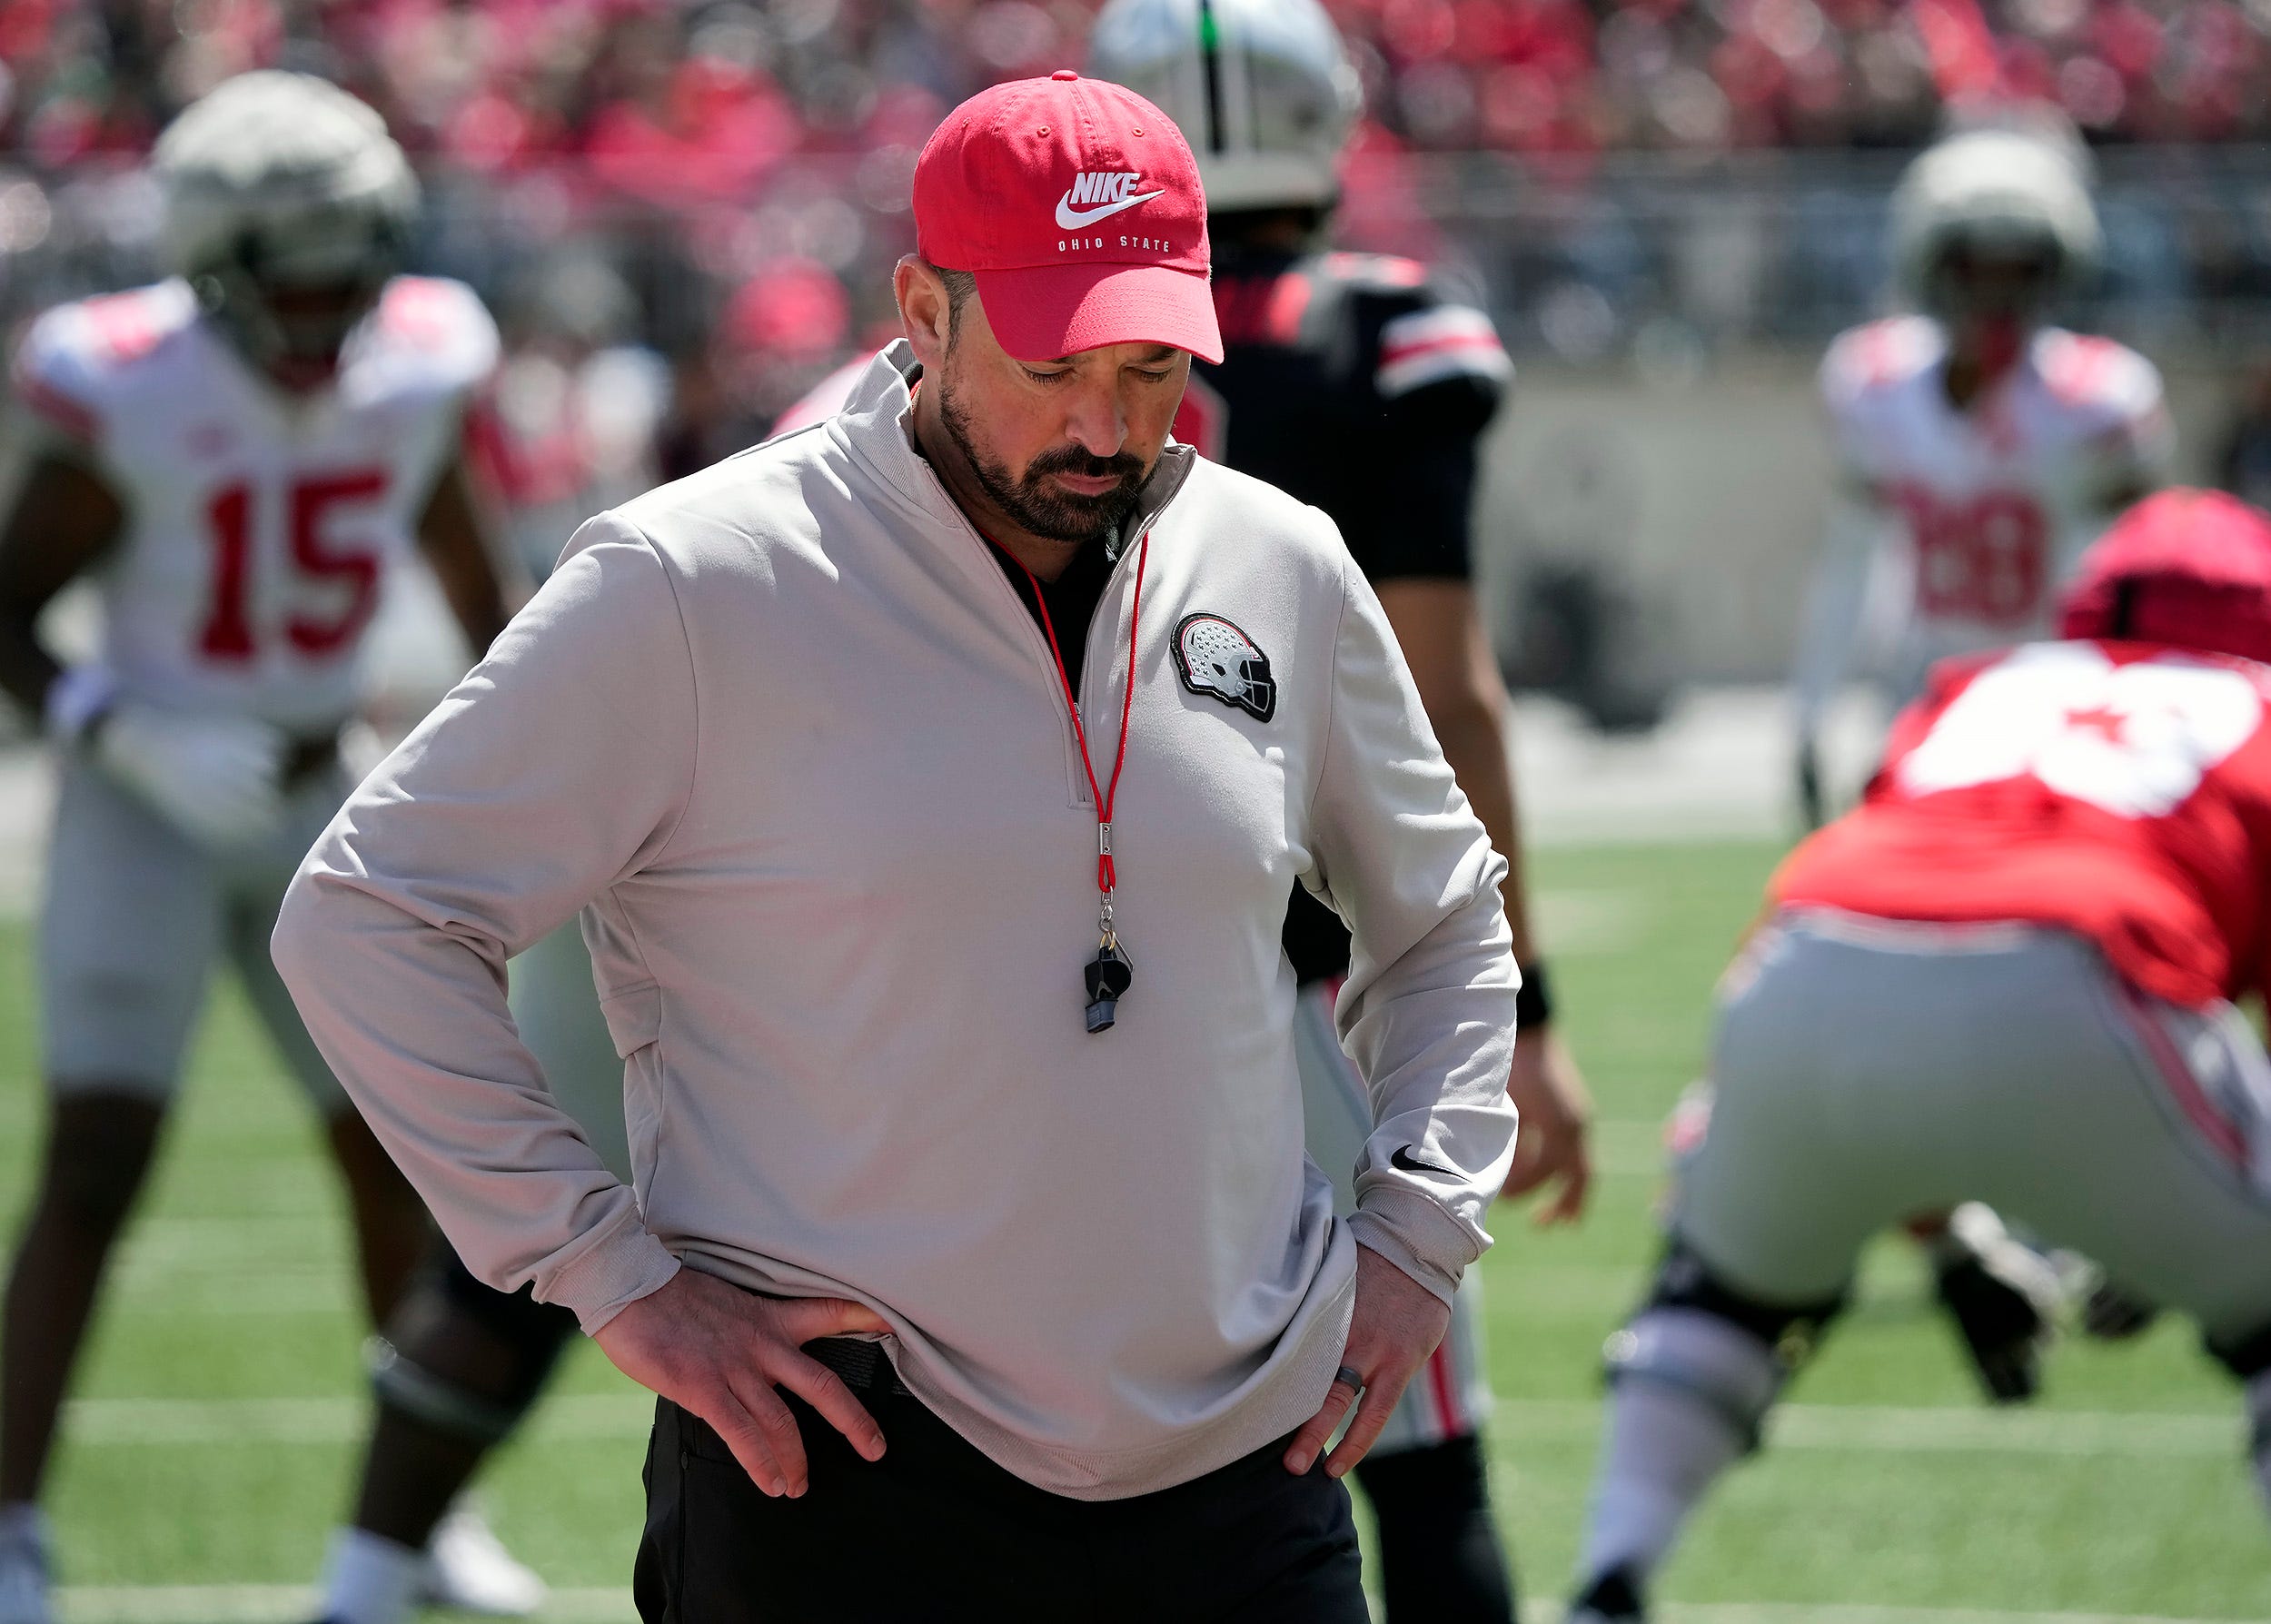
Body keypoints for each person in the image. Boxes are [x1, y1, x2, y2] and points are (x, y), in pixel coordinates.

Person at [272, 71, 1522, 1624]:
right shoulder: (695, 578)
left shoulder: (1279, 558)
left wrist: (1419, 1225)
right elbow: (365, 914)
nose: (1105, 424)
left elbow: (1450, 919)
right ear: (924, 307)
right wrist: (614, 1274)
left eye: (1151, 364)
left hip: (1246, 1482)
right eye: (1054, 360)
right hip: (841, 1478)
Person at [0, 72, 533, 1624]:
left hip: (319, 786)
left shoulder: (422, 361)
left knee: (398, 1149)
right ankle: (10, 1523)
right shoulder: (133, 380)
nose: (316, 314)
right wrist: (116, 724)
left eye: (339, 273)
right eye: (281, 280)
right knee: (98, 1153)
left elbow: (494, 599)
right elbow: (6, 608)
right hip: (145, 798)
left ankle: (419, 1517)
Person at [1086, 2, 1591, 1616]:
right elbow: (1449, 697)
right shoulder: (1382, 335)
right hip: (1297, 957)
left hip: (1056, 950)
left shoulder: (1031, 341)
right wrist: (1525, 1001)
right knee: (1414, 1433)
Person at [1569, 488, 2271, 1622]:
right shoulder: (2250, 708)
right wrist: (2177, 1238)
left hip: (1806, 968)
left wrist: (1948, 1245)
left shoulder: (1980, 688)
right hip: (2084, 978)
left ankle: (1612, 1568)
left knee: (1720, 1297)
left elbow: (1892, 979)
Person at [1792, 121, 2171, 830]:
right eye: (1977, 266)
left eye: (2019, 267)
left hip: (2056, 695)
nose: (1997, 294)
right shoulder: (1873, 382)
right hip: (1925, 693)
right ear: (1933, 265)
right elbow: (1852, 562)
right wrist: (1812, 707)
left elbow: (2128, 582)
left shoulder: (2101, 397)